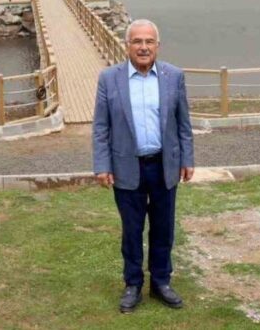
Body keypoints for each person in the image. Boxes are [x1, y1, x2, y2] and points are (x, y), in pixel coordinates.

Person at [92, 18, 195, 314]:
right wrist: (102, 165)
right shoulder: (109, 78)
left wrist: (187, 159)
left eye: (149, 41)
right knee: (132, 230)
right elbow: (101, 127)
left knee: (163, 229)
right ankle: (133, 284)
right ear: (127, 46)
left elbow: (183, 123)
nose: (143, 47)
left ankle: (161, 282)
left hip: (164, 166)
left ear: (158, 46)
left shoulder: (174, 76)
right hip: (126, 167)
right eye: (137, 41)